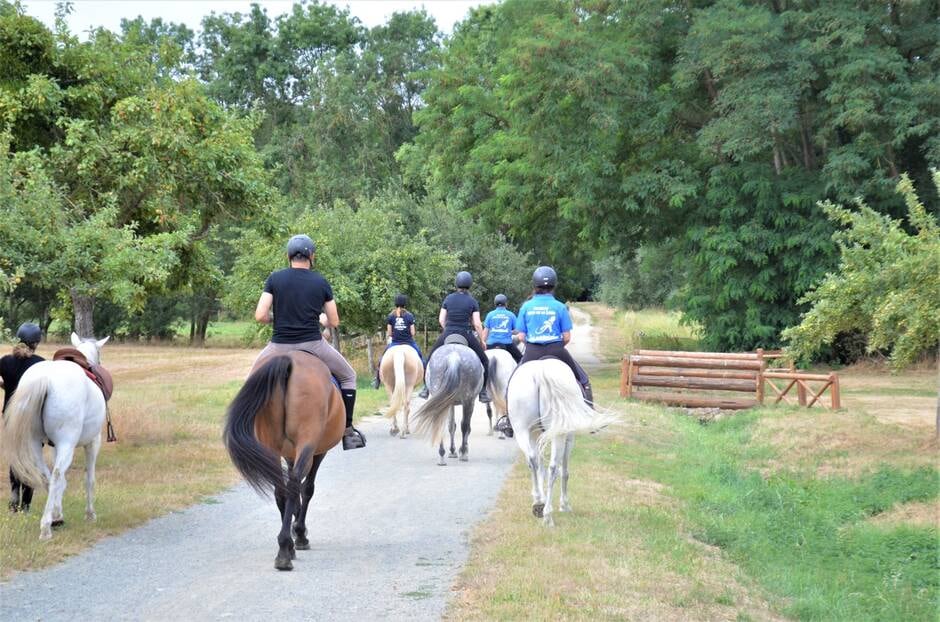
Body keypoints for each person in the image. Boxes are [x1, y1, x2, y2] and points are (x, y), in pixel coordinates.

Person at [252, 234, 365, 450]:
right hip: (312, 344)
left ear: (288, 256)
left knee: (252, 380)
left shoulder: (274, 278)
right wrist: (321, 319)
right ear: (311, 256)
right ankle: (348, 431)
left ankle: (248, 426)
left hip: (278, 346)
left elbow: (260, 315)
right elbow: (334, 320)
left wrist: (277, 318)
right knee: (349, 376)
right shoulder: (320, 281)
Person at [494, 266, 593, 436]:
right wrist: (555, 344)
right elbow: (567, 337)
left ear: (535, 285)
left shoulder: (526, 306)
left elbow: (522, 336)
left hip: (532, 352)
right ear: (553, 285)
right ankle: (588, 414)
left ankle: (510, 420)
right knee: (583, 379)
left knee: (512, 382)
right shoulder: (560, 306)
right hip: (556, 350)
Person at [418, 271, 491, 403]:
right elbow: (477, 324)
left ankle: (425, 389)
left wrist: (447, 330)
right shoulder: (472, 301)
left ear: (456, 283)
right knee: (485, 361)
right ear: (470, 284)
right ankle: (483, 392)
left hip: (448, 332)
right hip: (466, 334)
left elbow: (441, 319)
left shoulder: (448, 298)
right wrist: (482, 341)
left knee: (429, 359)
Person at [1, 323, 44, 512]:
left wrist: (7, 387)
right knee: (31, 458)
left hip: (10, 417)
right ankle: (26, 505)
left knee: (15, 456)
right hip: (32, 420)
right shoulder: (40, 363)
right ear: (36, 342)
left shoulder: (5, 361)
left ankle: (13, 498)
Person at [371, 294, 424, 389]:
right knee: (421, 357)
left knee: (382, 359)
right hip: (409, 343)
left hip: (395, 343)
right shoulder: (410, 316)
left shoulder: (391, 316)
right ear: (405, 304)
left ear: (395, 304)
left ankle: (377, 380)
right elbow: (413, 332)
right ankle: (425, 381)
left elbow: (390, 333)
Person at [482, 294, 522, 363]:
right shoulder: (511, 314)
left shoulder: (490, 314)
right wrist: (509, 331)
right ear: (506, 303)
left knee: (481, 360)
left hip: (491, 343)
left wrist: (483, 343)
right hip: (507, 344)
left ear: (495, 303)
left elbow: (485, 332)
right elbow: (517, 331)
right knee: (520, 359)